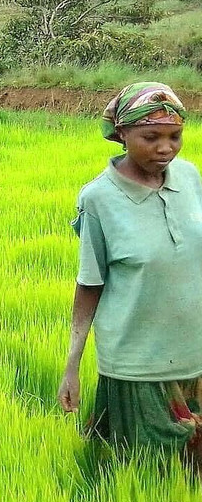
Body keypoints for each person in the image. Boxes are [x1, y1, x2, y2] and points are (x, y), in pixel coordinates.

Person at [58, 82, 202, 468]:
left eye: (175, 136)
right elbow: (90, 284)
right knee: (149, 470)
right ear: (122, 134)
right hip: (137, 367)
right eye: (151, 137)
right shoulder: (99, 199)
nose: (165, 148)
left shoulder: (189, 178)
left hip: (196, 356)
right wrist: (72, 365)